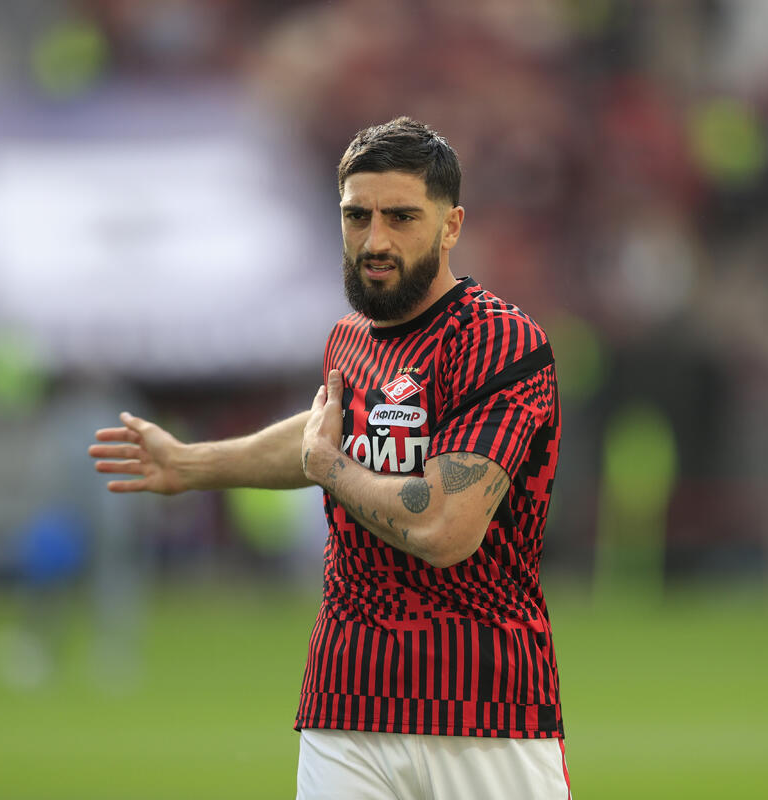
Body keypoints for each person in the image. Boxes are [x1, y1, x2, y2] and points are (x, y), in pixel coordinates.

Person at [89, 117, 570, 798]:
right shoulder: (349, 340)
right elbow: (324, 437)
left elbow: (444, 527)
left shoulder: (497, 341)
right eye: (357, 216)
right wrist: (192, 465)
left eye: (401, 217)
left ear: (451, 226)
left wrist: (331, 470)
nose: (375, 241)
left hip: (481, 708)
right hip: (346, 700)